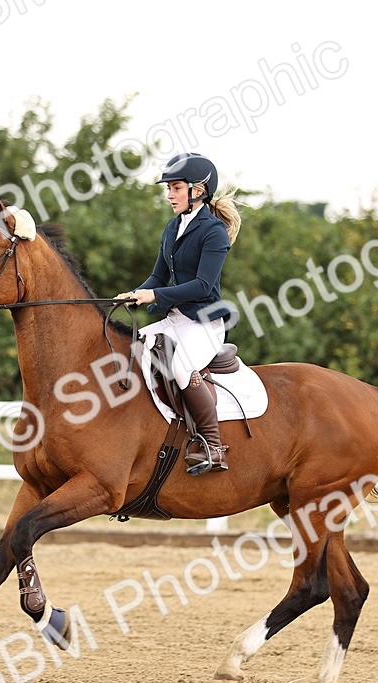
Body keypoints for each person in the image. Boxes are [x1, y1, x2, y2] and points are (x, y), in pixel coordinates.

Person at [116, 153, 242, 475]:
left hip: (205, 323)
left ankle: (214, 446)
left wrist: (153, 296)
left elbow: (202, 286)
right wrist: (134, 294)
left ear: (197, 190)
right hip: (176, 320)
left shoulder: (212, 231)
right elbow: (158, 277)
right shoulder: (172, 227)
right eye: (169, 189)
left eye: (175, 188)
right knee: (132, 349)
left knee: (183, 367)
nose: (169, 195)